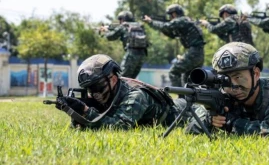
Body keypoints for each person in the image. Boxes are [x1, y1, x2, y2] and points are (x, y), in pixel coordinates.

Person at [54, 54, 205, 130]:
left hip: (187, 112)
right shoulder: (107, 93)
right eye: (89, 89)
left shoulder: (136, 95)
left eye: (98, 87)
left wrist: (85, 111)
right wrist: (76, 116)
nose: (93, 94)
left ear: (112, 79)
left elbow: (119, 128)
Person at [143, 4, 205, 88]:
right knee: (188, 78)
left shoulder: (181, 20)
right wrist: (163, 29)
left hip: (194, 52)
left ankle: (181, 96)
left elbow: (166, 26)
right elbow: (172, 34)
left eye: (170, 15)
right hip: (198, 53)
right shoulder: (186, 21)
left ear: (174, 14)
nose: (170, 18)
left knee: (173, 72)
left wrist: (150, 22)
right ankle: (188, 99)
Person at [100, 11, 147, 78]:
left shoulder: (123, 26)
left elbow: (111, 37)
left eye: (120, 19)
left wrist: (106, 31)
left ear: (123, 19)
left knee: (121, 78)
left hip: (131, 55)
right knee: (131, 79)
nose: (119, 21)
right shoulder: (140, 26)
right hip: (142, 55)